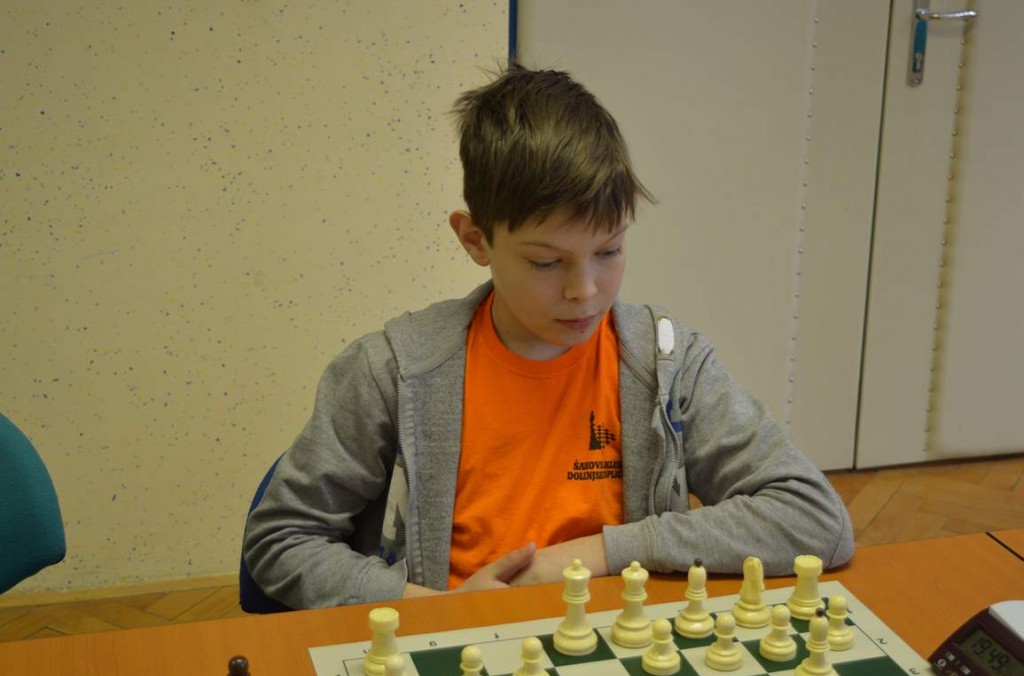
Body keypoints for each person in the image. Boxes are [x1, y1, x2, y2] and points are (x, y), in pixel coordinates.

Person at [242, 64, 854, 609]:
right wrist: (431, 609)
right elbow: (280, 539)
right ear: (475, 239)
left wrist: (597, 554)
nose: (584, 291)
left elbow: (814, 518)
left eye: (609, 251)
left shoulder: (669, 363)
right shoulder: (392, 371)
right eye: (546, 262)